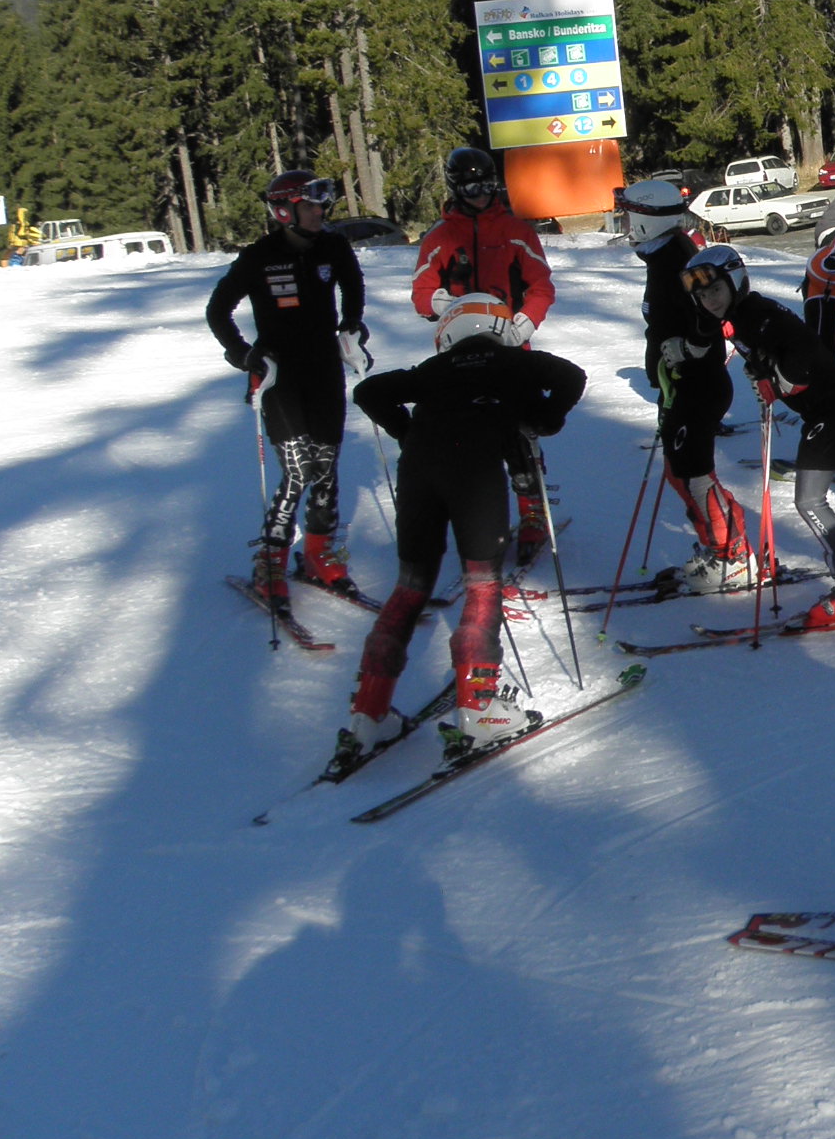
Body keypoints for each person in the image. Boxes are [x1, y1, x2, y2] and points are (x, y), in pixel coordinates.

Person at [341, 294, 586, 764]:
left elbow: (368, 392)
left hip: (418, 475)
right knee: (482, 585)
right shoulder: (511, 361)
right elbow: (572, 377)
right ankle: (479, 708)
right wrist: (543, 418)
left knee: (410, 588)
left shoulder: (433, 370)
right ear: (498, 328)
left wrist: (406, 431)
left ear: (449, 331)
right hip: (473, 477)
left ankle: (367, 713)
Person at [687, 245, 835, 628]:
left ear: (735, 282)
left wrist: (776, 380)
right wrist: (766, 376)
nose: (709, 300)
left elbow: (802, 355)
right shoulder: (742, 316)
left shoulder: (756, 315)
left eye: (714, 290)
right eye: (702, 295)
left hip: (828, 408)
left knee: (809, 500)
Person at [207, 171, 368, 600]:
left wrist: (352, 325)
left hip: (323, 371)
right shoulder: (259, 255)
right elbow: (218, 310)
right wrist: (243, 354)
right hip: (279, 377)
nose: (320, 212)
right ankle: (271, 562)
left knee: (326, 469)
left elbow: (353, 286)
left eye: (321, 205)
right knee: (298, 472)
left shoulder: (334, 246)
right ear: (285, 210)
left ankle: (317, 554)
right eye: (310, 206)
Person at [410, 146, 560, 566]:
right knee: (467, 436)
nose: (480, 194)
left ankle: (532, 511)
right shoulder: (440, 236)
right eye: (471, 186)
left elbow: (541, 286)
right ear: (456, 188)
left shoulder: (515, 231)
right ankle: (476, 513)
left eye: (488, 184)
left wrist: (524, 323)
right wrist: (449, 308)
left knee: (517, 432)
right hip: (459, 350)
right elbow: (421, 293)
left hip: (509, 345)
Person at [624, 178, 755, 590]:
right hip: (679, 385)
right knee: (680, 473)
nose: (626, 221)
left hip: (698, 384)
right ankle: (717, 547)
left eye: (631, 213)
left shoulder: (676, 259)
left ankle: (733, 555)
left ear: (647, 218)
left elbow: (709, 312)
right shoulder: (662, 254)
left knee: (694, 475)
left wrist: (693, 346)